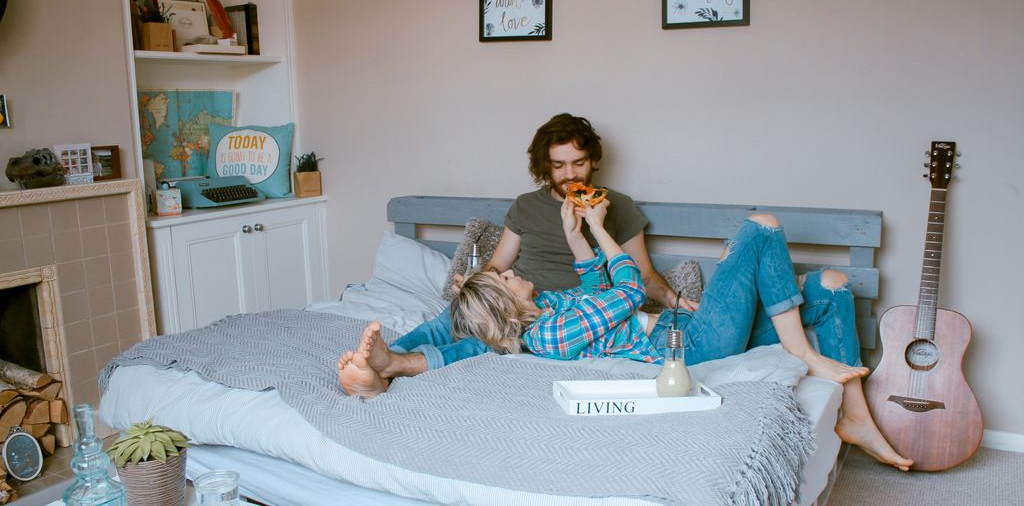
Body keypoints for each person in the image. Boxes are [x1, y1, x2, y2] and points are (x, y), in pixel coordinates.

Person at [340, 198, 914, 472]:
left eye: (507, 268)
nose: (511, 269)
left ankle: (853, 413)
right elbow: (626, 290)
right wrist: (598, 231)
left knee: (835, 284)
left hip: (692, 326)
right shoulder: (552, 334)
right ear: (507, 305)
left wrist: (582, 233)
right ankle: (802, 353)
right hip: (691, 344)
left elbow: (596, 279)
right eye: (506, 277)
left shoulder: (556, 304)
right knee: (761, 228)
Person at [350, 113, 690, 376]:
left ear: (593, 161)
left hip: (566, 314)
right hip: (512, 299)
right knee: (447, 321)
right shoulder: (526, 206)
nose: (570, 174)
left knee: (479, 346)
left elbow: (643, 278)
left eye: (579, 163)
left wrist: (677, 302)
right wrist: (476, 282)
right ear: (545, 167)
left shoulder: (614, 205)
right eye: (558, 165)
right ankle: (383, 359)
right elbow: (499, 265)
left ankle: (400, 366)